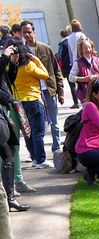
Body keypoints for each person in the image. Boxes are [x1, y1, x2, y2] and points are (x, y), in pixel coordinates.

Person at [20, 20, 64, 158]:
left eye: (29, 31)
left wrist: (61, 92)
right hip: (31, 94)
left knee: (54, 122)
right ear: (21, 34)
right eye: (24, 32)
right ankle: (36, 152)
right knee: (34, 125)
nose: (27, 34)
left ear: (34, 32)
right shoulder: (21, 52)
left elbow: (57, 71)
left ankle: (56, 148)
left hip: (48, 90)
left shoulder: (46, 49)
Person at [0, 45, 28, 210]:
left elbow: (6, 81)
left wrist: (14, 63)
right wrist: (4, 58)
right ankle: (8, 197)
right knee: (7, 151)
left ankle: (9, 197)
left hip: (3, 109)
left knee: (9, 150)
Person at [12, 42, 48, 168]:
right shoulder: (29, 65)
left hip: (19, 103)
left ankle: (33, 158)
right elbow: (45, 75)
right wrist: (37, 60)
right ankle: (41, 160)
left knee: (28, 132)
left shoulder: (11, 68)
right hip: (33, 100)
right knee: (38, 132)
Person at [69, 37, 99, 106]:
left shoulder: (98, 60)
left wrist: (97, 76)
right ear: (81, 50)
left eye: (89, 47)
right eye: (85, 48)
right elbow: (71, 77)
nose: (88, 50)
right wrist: (84, 79)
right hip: (86, 95)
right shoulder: (78, 63)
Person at [58, 27, 77, 108]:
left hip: (67, 66)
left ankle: (76, 102)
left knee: (72, 85)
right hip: (76, 63)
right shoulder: (73, 40)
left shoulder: (62, 44)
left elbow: (59, 56)